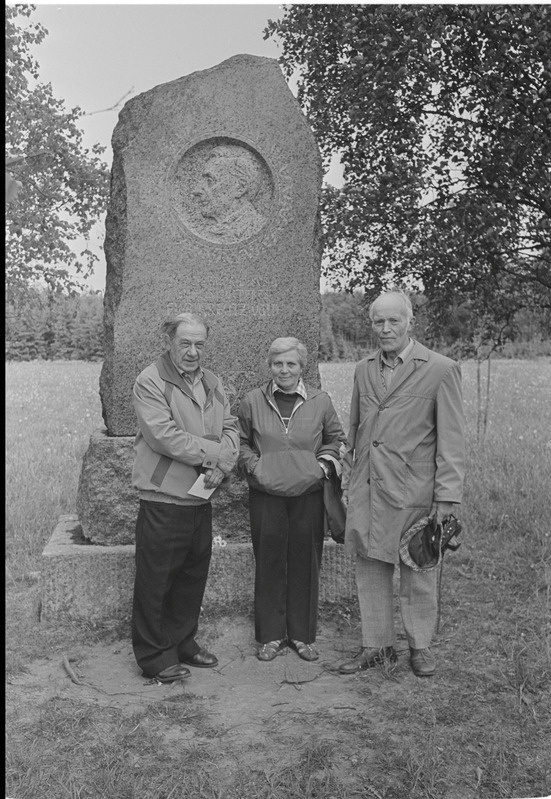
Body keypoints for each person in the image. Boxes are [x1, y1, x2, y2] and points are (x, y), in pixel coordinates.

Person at [339, 290, 465, 677]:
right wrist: (348, 471)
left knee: (418, 567)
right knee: (371, 566)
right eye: (379, 321)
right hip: (369, 488)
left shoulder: (441, 369)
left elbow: (453, 439)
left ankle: (420, 647)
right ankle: (376, 645)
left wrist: (446, 497)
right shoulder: (363, 368)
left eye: (394, 320)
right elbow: (357, 428)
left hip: (415, 490)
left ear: (410, 322)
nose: (386, 328)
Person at [131, 312, 239, 683]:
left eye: (199, 344)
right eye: (185, 344)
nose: (193, 352)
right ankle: (153, 657)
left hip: (201, 497)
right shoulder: (150, 380)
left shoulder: (213, 381)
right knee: (156, 580)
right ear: (170, 342)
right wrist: (215, 455)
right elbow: (164, 436)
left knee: (192, 577)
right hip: (164, 498)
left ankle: (182, 642)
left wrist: (224, 462)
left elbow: (231, 426)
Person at [237, 337, 346, 662]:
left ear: (303, 367)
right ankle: (270, 636)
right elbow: (240, 442)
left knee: (305, 561)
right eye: (278, 363)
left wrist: (321, 467)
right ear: (269, 366)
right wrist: (255, 467)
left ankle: (302, 635)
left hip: (308, 495)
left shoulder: (320, 401)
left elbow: (336, 439)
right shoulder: (252, 401)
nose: (284, 370)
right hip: (266, 495)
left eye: (291, 364)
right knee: (269, 560)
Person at [192, 144, 266, 242]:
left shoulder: (256, 226)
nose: (196, 190)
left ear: (240, 188)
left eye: (210, 181)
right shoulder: (209, 230)